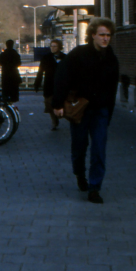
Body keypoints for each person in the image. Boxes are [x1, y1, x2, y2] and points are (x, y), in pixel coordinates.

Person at [53, 17, 120, 204]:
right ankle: (79, 174)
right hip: (80, 109)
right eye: (102, 35)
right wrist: (58, 103)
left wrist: (109, 113)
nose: (105, 39)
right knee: (79, 146)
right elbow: (62, 76)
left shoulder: (111, 59)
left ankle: (94, 187)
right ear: (93, 35)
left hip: (101, 110)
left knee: (99, 149)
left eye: (108, 35)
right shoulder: (79, 54)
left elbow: (113, 88)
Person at [34, 39, 65, 127]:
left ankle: (58, 116)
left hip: (60, 84)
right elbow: (40, 71)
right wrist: (37, 83)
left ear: (59, 47)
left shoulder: (64, 57)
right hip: (49, 83)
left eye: (55, 46)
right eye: (51, 46)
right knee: (49, 103)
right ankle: (54, 120)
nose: (53, 48)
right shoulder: (46, 58)